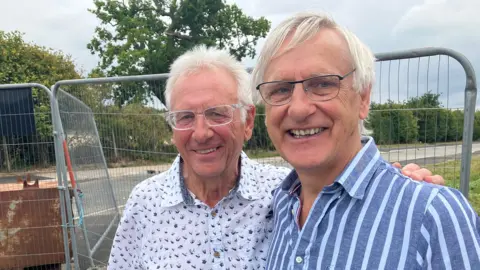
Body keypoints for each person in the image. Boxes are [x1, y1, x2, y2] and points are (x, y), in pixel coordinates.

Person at [107, 46, 443, 269]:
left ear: (248, 121)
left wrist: (402, 186)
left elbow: (350, 206)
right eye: (184, 117)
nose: (201, 132)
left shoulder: (286, 194)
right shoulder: (145, 203)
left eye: (217, 114)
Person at [250, 12, 480, 269]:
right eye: (280, 89)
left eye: (322, 84)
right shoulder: (278, 208)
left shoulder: (432, 215)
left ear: (363, 98)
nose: (299, 109)